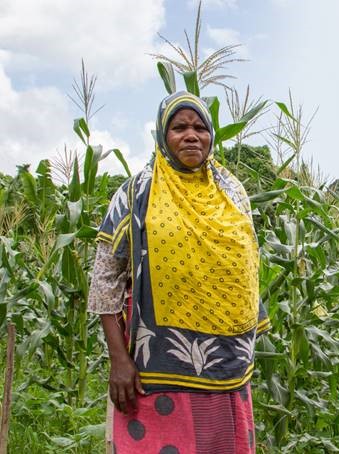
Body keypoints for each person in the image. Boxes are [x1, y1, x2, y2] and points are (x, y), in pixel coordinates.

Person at [88, 91, 270, 453]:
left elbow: (248, 271)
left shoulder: (232, 194)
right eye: (179, 127)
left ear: (211, 137)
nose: (191, 135)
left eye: (200, 127)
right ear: (162, 136)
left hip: (226, 369)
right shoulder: (135, 194)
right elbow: (104, 281)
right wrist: (118, 359)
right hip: (155, 369)